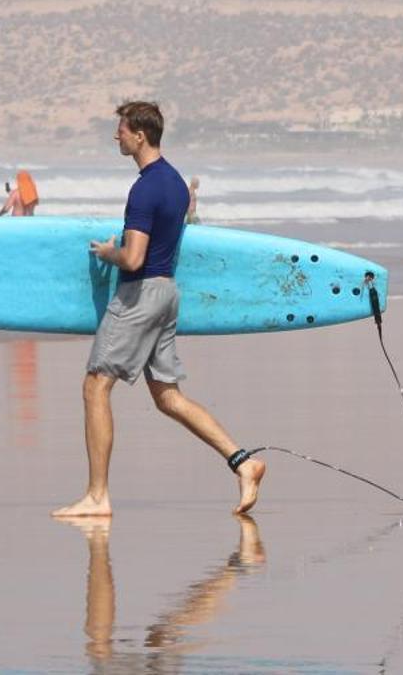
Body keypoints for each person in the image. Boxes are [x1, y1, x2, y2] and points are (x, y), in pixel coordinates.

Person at [53, 101, 266, 519]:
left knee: (95, 385)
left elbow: (133, 259)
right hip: (167, 293)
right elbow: (183, 216)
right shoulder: (175, 184)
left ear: (140, 135)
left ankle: (97, 496)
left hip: (140, 296)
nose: (117, 136)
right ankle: (243, 462)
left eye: (121, 130)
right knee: (167, 397)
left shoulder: (144, 188)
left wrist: (106, 251)